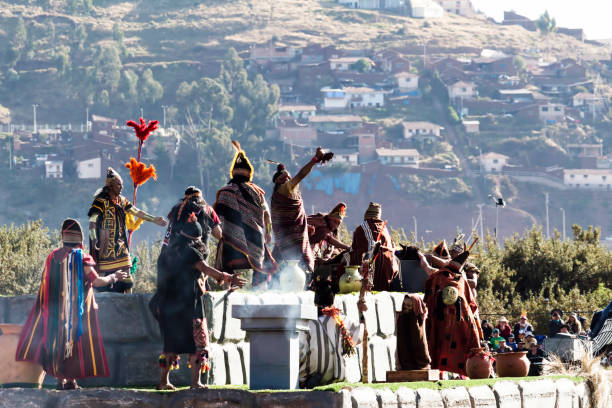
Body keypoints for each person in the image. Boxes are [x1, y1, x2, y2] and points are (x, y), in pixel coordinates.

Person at [16, 219, 129, 390]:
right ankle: (71, 380)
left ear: (63, 238)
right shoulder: (82, 257)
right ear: (80, 240)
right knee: (74, 343)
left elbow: (45, 283)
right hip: (76, 311)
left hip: (53, 311)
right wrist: (114, 276)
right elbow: (97, 281)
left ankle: (60, 380)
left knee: (56, 341)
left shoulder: (53, 257)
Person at [154, 213, 246, 390]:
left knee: (171, 344)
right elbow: (204, 268)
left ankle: (163, 381)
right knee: (199, 343)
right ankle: (195, 383)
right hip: (190, 304)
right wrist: (228, 277)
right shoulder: (191, 250)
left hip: (170, 305)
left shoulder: (169, 250)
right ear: (196, 238)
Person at [88, 167, 167, 293]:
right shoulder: (100, 201)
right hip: (105, 243)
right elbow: (92, 220)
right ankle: (100, 304)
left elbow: (136, 211)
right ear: (111, 186)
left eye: (122, 184)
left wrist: (154, 219)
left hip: (120, 244)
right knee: (102, 276)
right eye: (118, 184)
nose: (121, 187)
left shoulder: (122, 200)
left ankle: (128, 303)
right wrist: (94, 238)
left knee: (127, 276)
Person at [214, 141, 276, 288]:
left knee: (226, 263)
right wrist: (268, 232)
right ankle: (259, 290)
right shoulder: (257, 192)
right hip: (254, 237)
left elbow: (217, 218)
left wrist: (221, 235)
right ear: (249, 174)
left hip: (230, 239)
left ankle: (228, 289)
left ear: (233, 174)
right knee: (261, 263)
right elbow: (266, 214)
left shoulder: (225, 192)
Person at [270, 148, 332, 274]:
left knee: (295, 264)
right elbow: (301, 175)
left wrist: (305, 225)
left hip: (294, 234)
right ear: (277, 181)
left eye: (288, 176)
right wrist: (314, 160)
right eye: (283, 176)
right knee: (295, 264)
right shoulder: (283, 189)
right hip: (289, 236)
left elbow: (295, 215)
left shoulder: (291, 193)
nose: (287, 177)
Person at [299, 267, 362, 387]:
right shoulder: (342, 320)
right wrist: (362, 316)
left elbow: (300, 352)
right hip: (337, 376)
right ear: (333, 301)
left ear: (315, 302)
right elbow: (357, 338)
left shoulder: (306, 323)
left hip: (311, 378)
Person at [424, 251, 482, 376]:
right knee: (463, 344)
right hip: (461, 319)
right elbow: (471, 303)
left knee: (439, 344)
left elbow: (429, 294)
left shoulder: (438, 276)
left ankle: (442, 372)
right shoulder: (461, 279)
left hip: (440, 319)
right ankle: (466, 371)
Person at [162, 186, 221, 260]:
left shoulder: (176, 209)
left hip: (176, 257)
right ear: (201, 198)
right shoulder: (209, 210)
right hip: (200, 258)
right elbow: (218, 234)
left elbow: (169, 233)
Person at [349, 202, 398, 291]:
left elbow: (354, 249)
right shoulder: (384, 228)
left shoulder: (361, 228)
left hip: (369, 265)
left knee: (347, 257)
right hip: (387, 268)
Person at [396, 293, 432, 370]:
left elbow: (419, 337)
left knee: (419, 344)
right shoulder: (402, 317)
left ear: (415, 306)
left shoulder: (418, 317)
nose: (406, 308)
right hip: (406, 361)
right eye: (405, 305)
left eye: (409, 306)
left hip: (420, 357)